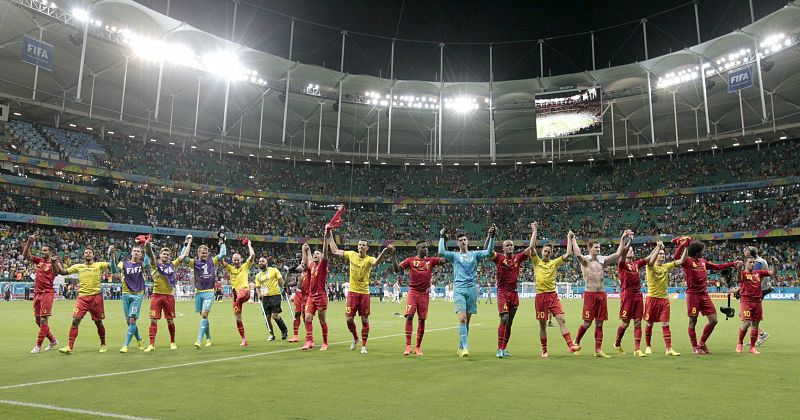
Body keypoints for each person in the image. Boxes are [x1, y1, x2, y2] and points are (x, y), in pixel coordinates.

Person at [674, 238, 741, 355]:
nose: (702, 252)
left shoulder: (703, 262)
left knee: (714, 320)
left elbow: (717, 267)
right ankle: (695, 347)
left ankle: (702, 343)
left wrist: (733, 264)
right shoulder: (687, 262)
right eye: (701, 250)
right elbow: (676, 258)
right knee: (692, 322)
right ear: (696, 251)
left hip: (704, 295)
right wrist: (683, 245)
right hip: (693, 296)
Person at [438, 224, 496, 358]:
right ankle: (465, 348)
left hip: (472, 289)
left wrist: (492, 236)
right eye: (460, 240)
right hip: (459, 289)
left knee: (467, 321)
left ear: (467, 242)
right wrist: (441, 236)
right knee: (462, 319)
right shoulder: (454, 256)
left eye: (465, 240)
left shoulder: (475, 255)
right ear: (457, 243)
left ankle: (460, 346)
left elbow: (488, 252)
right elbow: (441, 252)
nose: (463, 241)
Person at [570, 230, 628, 358]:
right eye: (596, 247)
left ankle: (598, 350)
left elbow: (618, 254)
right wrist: (573, 239)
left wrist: (622, 238)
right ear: (590, 248)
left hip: (601, 294)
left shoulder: (602, 261)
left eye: (599, 247)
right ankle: (576, 342)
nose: (598, 249)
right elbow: (578, 254)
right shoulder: (586, 261)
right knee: (587, 323)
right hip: (590, 294)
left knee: (600, 323)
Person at [328, 235, 390, 354]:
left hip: (364, 293)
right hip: (352, 292)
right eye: (359, 245)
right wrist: (330, 235)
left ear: (367, 248)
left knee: (364, 320)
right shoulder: (351, 254)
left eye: (363, 245)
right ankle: (356, 338)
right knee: (349, 319)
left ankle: (363, 345)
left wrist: (384, 252)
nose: (361, 247)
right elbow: (335, 251)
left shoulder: (369, 259)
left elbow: (376, 263)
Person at [530, 223, 580, 358]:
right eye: (545, 251)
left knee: (562, 319)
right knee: (542, 325)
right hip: (540, 297)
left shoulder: (554, 263)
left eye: (548, 251)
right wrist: (534, 230)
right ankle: (544, 350)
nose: (546, 253)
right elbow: (531, 247)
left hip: (552, 295)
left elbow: (569, 254)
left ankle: (570, 345)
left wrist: (569, 238)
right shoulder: (537, 262)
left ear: (551, 253)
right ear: (542, 252)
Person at [58, 245, 118, 354]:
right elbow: (63, 272)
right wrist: (55, 262)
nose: (88, 254)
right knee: (75, 320)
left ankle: (103, 344)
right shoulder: (78, 267)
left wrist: (113, 254)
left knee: (98, 322)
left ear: (93, 255)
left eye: (90, 252)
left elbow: (114, 268)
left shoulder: (99, 265)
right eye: (86, 252)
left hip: (96, 298)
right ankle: (70, 347)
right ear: (83, 255)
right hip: (82, 298)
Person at [392, 241, 447, 356]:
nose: (426, 249)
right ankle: (408, 346)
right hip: (413, 292)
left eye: (426, 247)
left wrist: (443, 239)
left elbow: (444, 258)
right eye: (423, 247)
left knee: (422, 320)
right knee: (409, 316)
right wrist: (393, 255)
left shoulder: (431, 260)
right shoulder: (410, 261)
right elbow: (397, 270)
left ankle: (418, 347)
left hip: (424, 294)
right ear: (418, 249)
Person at [489, 236, 532, 358]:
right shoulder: (499, 258)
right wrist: (490, 236)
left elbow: (531, 248)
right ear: (503, 248)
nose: (509, 247)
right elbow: (487, 251)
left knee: (510, 322)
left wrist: (534, 231)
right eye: (507, 245)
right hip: (502, 292)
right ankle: (498, 349)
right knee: (504, 318)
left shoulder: (517, 258)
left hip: (514, 293)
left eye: (511, 245)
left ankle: (504, 348)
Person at [182, 235, 227, 349]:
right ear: (198, 253)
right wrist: (186, 243)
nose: (204, 254)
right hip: (198, 293)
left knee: (204, 314)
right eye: (202, 252)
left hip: (209, 292)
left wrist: (222, 243)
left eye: (206, 252)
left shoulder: (212, 261)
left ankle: (198, 339)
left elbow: (222, 254)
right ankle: (209, 338)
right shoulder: (194, 263)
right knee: (204, 317)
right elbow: (183, 257)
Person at [643, 241, 686, 356]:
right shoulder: (650, 267)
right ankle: (648, 346)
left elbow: (681, 261)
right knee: (649, 323)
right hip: (652, 299)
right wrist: (658, 247)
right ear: (656, 255)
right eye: (660, 253)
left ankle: (669, 349)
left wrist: (686, 247)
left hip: (664, 300)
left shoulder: (666, 266)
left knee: (665, 324)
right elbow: (650, 261)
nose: (663, 255)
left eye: (663, 253)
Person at [143, 241, 186, 351]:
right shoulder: (155, 264)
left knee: (170, 320)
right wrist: (147, 246)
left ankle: (172, 342)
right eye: (164, 254)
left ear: (170, 257)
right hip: (156, 295)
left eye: (167, 254)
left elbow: (183, 256)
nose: (165, 256)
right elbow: (151, 255)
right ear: (160, 255)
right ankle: (151, 345)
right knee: (153, 320)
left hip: (169, 297)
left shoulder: (173, 264)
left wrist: (187, 242)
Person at [22, 235, 62, 353]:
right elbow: (26, 255)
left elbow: (57, 273)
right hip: (37, 294)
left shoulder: (54, 262)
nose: (42, 252)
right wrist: (29, 242)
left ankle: (38, 346)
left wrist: (54, 263)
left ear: (50, 252)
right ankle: (53, 340)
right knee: (38, 320)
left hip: (47, 293)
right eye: (42, 250)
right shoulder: (39, 261)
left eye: (45, 250)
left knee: (44, 320)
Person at [731, 255, 777, 354]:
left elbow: (773, 273)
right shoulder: (743, 273)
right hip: (746, 302)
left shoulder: (758, 273)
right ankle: (740, 343)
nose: (752, 264)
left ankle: (752, 347)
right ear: (745, 264)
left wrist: (774, 264)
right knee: (747, 323)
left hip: (757, 302)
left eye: (753, 262)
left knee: (755, 324)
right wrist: (738, 269)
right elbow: (739, 279)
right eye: (750, 262)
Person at [614, 234, 647, 356]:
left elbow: (648, 259)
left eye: (632, 250)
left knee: (638, 322)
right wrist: (626, 240)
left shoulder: (636, 264)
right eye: (629, 250)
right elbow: (622, 253)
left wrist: (658, 248)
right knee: (625, 323)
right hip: (627, 296)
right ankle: (617, 343)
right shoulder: (621, 264)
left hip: (638, 296)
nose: (631, 251)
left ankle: (637, 349)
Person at [220, 238, 255, 347]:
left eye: (237, 259)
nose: (236, 261)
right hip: (235, 296)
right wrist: (221, 245)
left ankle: (237, 295)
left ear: (241, 259)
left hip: (245, 292)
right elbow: (221, 260)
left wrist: (249, 244)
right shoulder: (230, 269)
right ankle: (244, 339)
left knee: (239, 294)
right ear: (232, 261)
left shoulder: (245, 266)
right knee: (237, 317)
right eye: (234, 260)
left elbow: (253, 255)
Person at [117, 240, 149, 353]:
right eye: (134, 251)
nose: (136, 253)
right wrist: (112, 256)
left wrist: (146, 245)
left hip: (137, 295)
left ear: (141, 254)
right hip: (125, 294)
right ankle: (139, 340)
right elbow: (114, 270)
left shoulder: (142, 265)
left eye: (138, 251)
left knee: (132, 319)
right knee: (129, 322)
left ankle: (125, 345)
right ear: (131, 252)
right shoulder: (123, 264)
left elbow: (148, 260)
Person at [303, 230, 330, 351]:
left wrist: (325, 238)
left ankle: (325, 342)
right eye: (314, 254)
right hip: (311, 297)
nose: (315, 255)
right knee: (307, 318)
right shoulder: (312, 266)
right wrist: (306, 249)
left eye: (317, 254)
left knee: (322, 320)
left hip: (321, 297)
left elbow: (325, 253)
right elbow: (307, 259)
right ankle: (310, 341)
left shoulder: (323, 265)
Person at [255, 256, 288, 341]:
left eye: (262, 261)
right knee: (267, 317)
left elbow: (281, 281)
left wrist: (284, 286)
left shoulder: (274, 270)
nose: (260, 263)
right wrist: (259, 294)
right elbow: (257, 288)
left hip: (275, 295)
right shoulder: (258, 275)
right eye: (259, 261)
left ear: (266, 263)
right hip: (265, 297)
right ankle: (272, 335)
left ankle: (284, 330)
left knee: (275, 316)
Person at [744, 246, 771, 346]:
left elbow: (753, 278)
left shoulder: (757, 263)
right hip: (762, 289)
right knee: (747, 315)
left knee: (746, 315)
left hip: (758, 291)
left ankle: (761, 334)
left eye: (746, 250)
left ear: (750, 252)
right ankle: (759, 335)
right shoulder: (759, 260)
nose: (744, 252)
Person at [289, 243, 312, 343]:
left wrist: (305, 250)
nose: (299, 259)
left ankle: (308, 335)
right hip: (298, 294)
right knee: (297, 314)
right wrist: (288, 285)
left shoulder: (308, 268)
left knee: (305, 315)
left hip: (307, 295)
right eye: (298, 258)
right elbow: (295, 281)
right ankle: (295, 335)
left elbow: (305, 265)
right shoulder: (298, 269)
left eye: (300, 257)